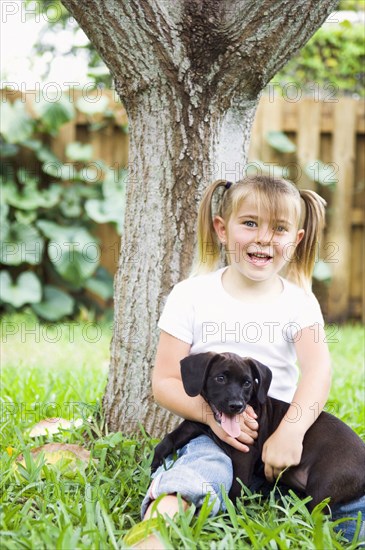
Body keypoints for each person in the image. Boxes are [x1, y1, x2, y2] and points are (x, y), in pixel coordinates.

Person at [128, 176, 365, 549]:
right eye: (250, 223)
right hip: (217, 437)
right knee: (200, 471)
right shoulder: (191, 295)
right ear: (221, 229)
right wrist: (213, 419)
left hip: (283, 435)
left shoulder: (299, 302)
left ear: (296, 240)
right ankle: (155, 533)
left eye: (280, 228)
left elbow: (318, 371)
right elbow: (165, 381)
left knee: (351, 494)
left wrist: (291, 432)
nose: (264, 238)